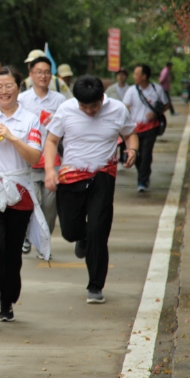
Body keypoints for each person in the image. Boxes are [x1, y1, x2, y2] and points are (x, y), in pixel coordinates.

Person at [44, 75, 138, 304]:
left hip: (103, 177)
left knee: (98, 230)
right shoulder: (66, 109)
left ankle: (95, 285)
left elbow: (130, 134)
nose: (88, 111)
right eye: (83, 106)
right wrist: (49, 171)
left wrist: (132, 150)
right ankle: (81, 237)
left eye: (93, 106)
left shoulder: (117, 109)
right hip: (71, 177)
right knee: (69, 231)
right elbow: (52, 141)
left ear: (102, 99)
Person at [0, 66, 43, 323]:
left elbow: (35, 157)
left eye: (9, 86)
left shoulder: (30, 120)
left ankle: (7, 302)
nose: (4, 91)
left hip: (20, 191)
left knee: (13, 252)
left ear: (19, 87)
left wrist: (13, 138)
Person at [16, 56, 67, 255]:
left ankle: (44, 243)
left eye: (47, 72)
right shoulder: (22, 99)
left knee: (49, 206)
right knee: (29, 202)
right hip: (28, 160)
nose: (43, 76)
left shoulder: (59, 100)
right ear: (31, 74)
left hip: (52, 161)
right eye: (39, 72)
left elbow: (66, 128)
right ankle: (26, 236)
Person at [122, 64, 168, 193]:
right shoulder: (131, 90)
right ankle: (143, 173)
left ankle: (142, 180)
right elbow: (125, 107)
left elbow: (166, 104)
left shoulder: (157, 89)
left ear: (144, 76)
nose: (134, 76)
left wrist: (156, 114)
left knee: (146, 154)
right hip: (135, 129)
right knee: (137, 154)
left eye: (136, 74)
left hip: (150, 127)